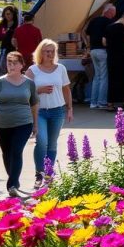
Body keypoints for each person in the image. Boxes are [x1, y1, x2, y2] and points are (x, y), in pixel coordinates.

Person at [0, 51, 38, 196]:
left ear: (22, 65)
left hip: (23, 123)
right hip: (3, 124)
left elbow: (34, 104)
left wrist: (35, 124)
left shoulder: (29, 83)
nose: (11, 66)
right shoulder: (0, 82)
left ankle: (12, 185)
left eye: (14, 63)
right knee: (7, 154)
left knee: (16, 151)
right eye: (9, 63)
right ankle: (14, 179)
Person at [25, 39, 72, 187]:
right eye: (47, 51)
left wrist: (69, 108)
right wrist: (39, 90)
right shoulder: (33, 70)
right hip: (39, 112)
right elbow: (25, 92)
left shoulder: (61, 68)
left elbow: (66, 89)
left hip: (57, 111)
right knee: (42, 142)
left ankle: (49, 174)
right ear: (41, 52)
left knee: (52, 144)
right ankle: (39, 173)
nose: (50, 54)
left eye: (52, 51)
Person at [83, 3, 114, 110]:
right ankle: (102, 102)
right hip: (102, 51)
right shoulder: (108, 22)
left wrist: (88, 44)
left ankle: (93, 102)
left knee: (97, 77)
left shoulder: (94, 20)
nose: (114, 15)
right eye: (113, 12)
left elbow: (85, 33)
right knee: (104, 77)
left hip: (93, 50)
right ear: (108, 12)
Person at [104, 14, 124, 112]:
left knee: (112, 80)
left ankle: (110, 105)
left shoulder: (108, 28)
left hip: (111, 58)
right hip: (123, 58)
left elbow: (104, 42)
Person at [0, 5, 19, 75]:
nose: (8, 16)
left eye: (9, 14)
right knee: (2, 68)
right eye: (6, 14)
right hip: (4, 49)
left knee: (12, 69)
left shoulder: (17, 24)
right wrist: (5, 33)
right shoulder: (3, 24)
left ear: (13, 14)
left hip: (14, 50)